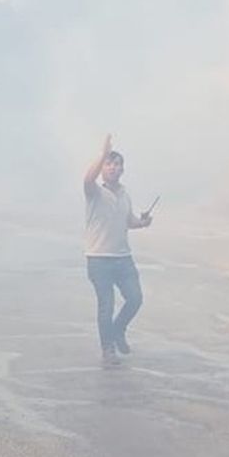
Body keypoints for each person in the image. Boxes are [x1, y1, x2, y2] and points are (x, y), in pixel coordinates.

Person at [82, 133, 153, 367]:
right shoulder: (94, 192)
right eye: (109, 164)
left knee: (135, 298)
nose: (113, 168)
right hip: (99, 259)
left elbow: (128, 221)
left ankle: (118, 330)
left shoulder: (125, 194)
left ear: (122, 169)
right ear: (103, 169)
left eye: (117, 164)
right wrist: (102, 153)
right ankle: (108, 349)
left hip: (123, 259)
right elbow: (87, 178)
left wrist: (142, 223)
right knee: (106, 305)